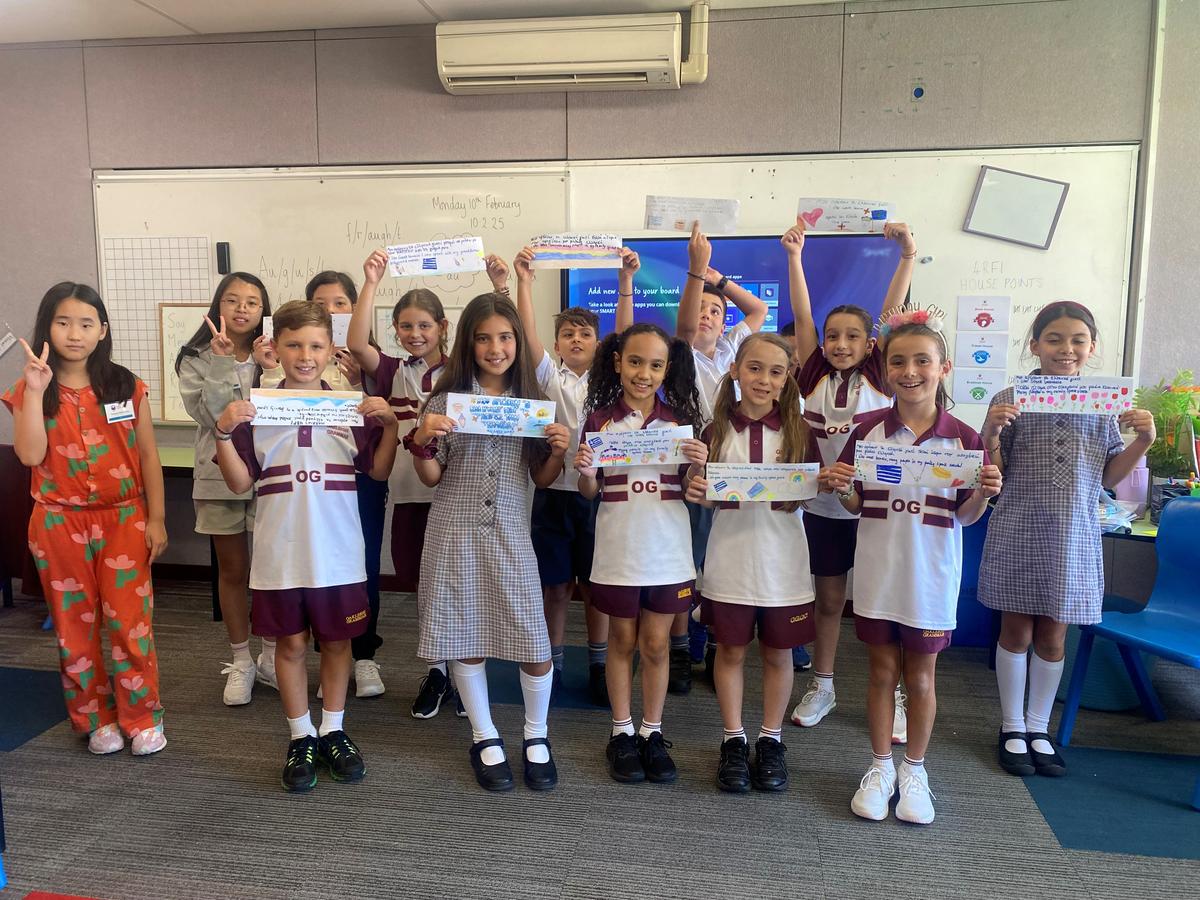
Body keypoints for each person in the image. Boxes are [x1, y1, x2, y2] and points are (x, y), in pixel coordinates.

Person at [822, 309, 1001, 824]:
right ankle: (880, 765)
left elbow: (964, 516)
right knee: (881, 672)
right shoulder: (867, 431)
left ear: (944, 368)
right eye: (898, 361)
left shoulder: (964, 438)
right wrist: (843, 487)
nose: (910, 371)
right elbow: (857, 505)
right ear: (885, 368)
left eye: (923, 361)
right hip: (879, 570)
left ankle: (915, 769)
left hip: (931, 575)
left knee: (920, 677)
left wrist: (984, 494)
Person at [213, 300, 397, 792]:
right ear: (276, 347)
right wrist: (223, 432)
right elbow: (238, 483)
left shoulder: (350, 408)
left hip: (338, 555)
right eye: (294, 345)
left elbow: (378, 470)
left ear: (332, 349)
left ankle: (333, 729)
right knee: (290, 645)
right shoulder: (259, 409)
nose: (305, 356)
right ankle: (301, 735)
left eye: (316, 345)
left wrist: (391, 426)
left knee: (337, 642)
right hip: (280, 555)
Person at [978, 301, 1155, 778]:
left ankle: (1039, 727)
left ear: (1092, 347)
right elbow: (996, 473)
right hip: (1019, 526)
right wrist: (991, 432)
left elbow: (1108, 477)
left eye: (1078, 340)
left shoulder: (1102, 403)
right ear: (1034, 345)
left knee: (1054, 636)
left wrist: (1143, 441)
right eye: (1054, 339)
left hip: (1074, 534)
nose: (1066, 349)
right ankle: (1012, 726)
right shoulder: (1013, 397)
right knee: (1016, 632)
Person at [407, 292, 570, 792]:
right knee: (465, 635)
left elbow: (541, 478)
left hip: (511, 534)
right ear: (468, 343)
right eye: (483, 338)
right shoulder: (445, 401)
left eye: (505, 337)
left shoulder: (531, 405)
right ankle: (484, 735)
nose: (495, 348)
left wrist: (558, 452)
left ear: (518, 341)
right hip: (454, 532)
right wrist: (422, 439)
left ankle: (536, 733)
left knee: (534, 640)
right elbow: (431, 477)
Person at [5, 282, 168, 755]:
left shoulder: (125, 385)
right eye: (63, 322)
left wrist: (157, 518)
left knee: (130, 623)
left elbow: (148, 456)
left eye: (85, 323)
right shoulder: (31, 388)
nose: (74, 334)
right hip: (59, 523)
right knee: (72, 625)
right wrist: (36, 391)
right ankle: (94, 717)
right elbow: (29, 454)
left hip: (124, 519)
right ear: (47, 328)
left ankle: (142, 716)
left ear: (103, 330)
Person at [785, 219, 917, 743]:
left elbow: (891, 311)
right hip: (824, 509)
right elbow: (801, 315)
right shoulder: (812, 374)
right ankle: (823, 684)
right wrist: (794, 257)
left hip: (878, 506)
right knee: (828, 600)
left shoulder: (881, 374)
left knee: (886, 603)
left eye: (852, 336)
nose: (840, 344)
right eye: (832, 335)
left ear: (871, 344)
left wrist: (907, 256)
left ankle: (897, 694)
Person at [684, 333, 818, 793]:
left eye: (775, 371)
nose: (763, 379)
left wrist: (825, 482)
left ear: (787, 378)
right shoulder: (715, 430)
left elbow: (809, 492)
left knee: (779, 653)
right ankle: (733, 740)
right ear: (736, 370)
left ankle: (771, 739)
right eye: (754, 368)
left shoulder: (800, 431)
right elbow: (705, 492)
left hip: (785, 563)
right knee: (730, 651)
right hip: (730, 560)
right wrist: (698, 488)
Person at [575, 323, 706, 785]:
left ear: (667, 370)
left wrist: (698, 467)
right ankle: (621, 731)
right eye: (634, 362)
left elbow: (692, 491)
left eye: (655, 365)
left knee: (655, 643)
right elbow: (589, 491)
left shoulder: (680, 424)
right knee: (621, 640)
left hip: (668, 551)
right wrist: (585, 471)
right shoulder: (599, 422)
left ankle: (652, 731)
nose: (643, 374)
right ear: (617, 363)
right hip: (618, 551)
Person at [513, 245, 637, 707]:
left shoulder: (609, 379)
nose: (577, 340)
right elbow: (527, 334)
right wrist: (524, 282)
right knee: (556, 586)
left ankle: (600, 664)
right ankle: (554, 660)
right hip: (555, 494)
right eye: (568, 334)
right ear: (558, 344)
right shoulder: (549, 377)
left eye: (585, 333)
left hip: (598, 495)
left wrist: (625, 281)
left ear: (600, 345)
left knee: (596, 585)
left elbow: (625, 335)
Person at [674, 221, 771, 694]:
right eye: (702, 309)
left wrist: (720, 282)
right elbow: (686, 329)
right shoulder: (680, 354)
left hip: (731, 465)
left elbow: (759, 310)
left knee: (721, 557)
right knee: (688, 556)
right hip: (690, 463)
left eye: (716, 311)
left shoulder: (734, 350)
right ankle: (682, 645)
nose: (708, 316)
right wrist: (697, 275)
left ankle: (713, 641)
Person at [176, 273, 276, 706]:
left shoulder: (274, 350)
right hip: (218, 475)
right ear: (218, 305)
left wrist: (269, 367)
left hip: (270, 474)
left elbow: (283, 409)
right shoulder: (195, 356)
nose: (242, 309)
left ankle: (271, 656)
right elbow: (211, 415)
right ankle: (241, 660)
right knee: (233, 571)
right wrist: (222, 362)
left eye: (252, 302)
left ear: (263, 311)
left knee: (270, 572)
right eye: (232, 300)